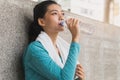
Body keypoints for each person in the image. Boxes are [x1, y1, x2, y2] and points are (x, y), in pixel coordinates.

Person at [23, 0, 85, 80]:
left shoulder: (61, 47)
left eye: (62, 13)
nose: (62, 18)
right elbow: (65, 79)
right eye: (55, 13)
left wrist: (79, 79)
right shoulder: (35, 49)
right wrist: (75, 38)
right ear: (42, 21)